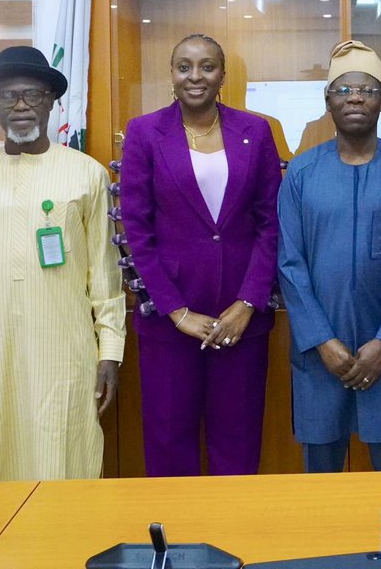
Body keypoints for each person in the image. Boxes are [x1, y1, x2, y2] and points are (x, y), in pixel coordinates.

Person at [0, 46, 125, 482]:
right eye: (7, 96)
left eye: (32, 95)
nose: (20, 106)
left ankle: (63, 550)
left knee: (64, 452)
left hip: (65, 353)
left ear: (52, 102)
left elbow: (105, 277)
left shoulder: (87, 174)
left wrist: (109, 354)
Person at [120, 34, 282, 476]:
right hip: (170, 323)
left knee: (239, 441)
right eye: (185, 66)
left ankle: (232, 537)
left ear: (223, 75)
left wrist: (248, 303)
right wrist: (176, 312)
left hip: (241, 321)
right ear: (171, 74)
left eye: (207, 66)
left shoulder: (256, 131)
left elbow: (272, 223)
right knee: (169, 444)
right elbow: (136, 228)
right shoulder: (144, 133)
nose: (196, 76)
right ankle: (179, 543)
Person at [277, 40, 381, 472]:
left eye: (366, 89)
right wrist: (322, 342)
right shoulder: (302, 174)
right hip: (318, 353)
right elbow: (289, 265)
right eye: (343, 90)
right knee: (322, 478)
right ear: (327, 100)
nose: (355, 98)